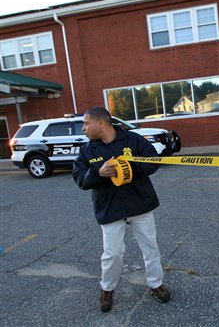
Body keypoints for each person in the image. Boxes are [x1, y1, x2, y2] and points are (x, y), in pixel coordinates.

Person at [72, 107, 170, 312]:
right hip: (110, 209)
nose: (83, 128)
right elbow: (80, 178)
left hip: (140, 204)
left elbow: (153, 162)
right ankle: (107, 289)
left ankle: (156, 284)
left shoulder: (133, 140)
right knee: (113, 253)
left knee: (150, 248)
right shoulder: (88, 150)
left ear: (101, 123)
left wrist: (128, 168)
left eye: (86, 123)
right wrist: (98, 172)